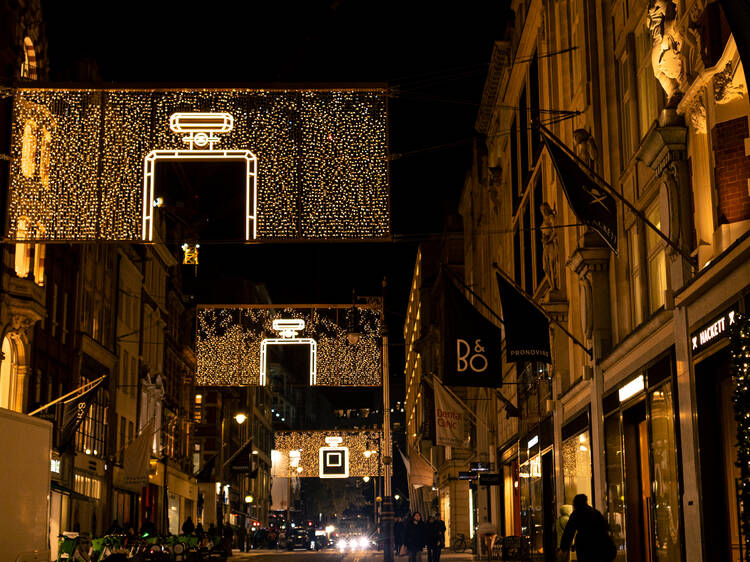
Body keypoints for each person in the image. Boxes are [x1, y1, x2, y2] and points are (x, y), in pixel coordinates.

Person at [559, 494, 616, 562]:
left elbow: (568, 532)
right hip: (597, 544)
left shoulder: (576, 514)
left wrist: (563, 547)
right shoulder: (595, 512)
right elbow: (604, 527)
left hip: (583, 544)